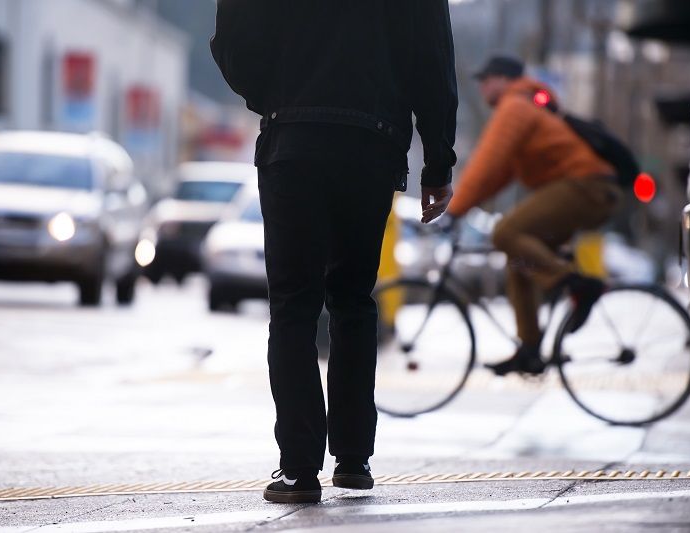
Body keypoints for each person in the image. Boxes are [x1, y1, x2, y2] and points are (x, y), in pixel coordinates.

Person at [211, 0, 457, 504]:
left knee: (294, 304)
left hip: (294, 139)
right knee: (353, 297)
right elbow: (433, 58)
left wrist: (277, 94)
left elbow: (233, 35)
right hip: (373, 143)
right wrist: (438, 160)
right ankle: (353, 459)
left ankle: (299, 470)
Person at [446, 55, 623, 376]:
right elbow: (498, 175)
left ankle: (575, 284)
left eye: (486, 79)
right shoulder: (528, 106)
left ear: (503, 79)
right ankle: (529, 350)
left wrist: (454, 210)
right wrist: (465, 206)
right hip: (590, 191)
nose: (483, 86)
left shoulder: (515, 106)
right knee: (519, 262)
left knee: (504, 233)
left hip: (587, 187)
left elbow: (486, 162)